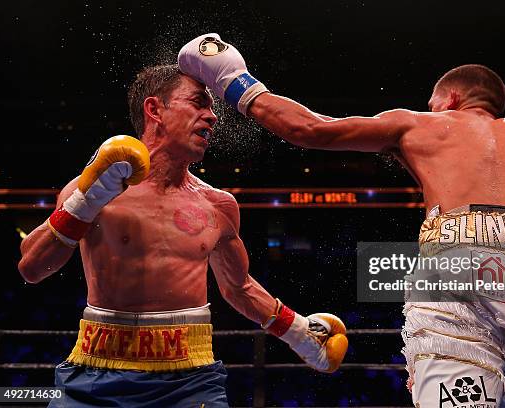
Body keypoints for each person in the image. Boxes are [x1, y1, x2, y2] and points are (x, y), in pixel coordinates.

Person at [178, 34, 505, 407]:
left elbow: (309, 128)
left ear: (449, 99)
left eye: (433, 103)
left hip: (462, 261)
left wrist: (233, 78)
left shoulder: (423, 123)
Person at [17, 64, 348, 408]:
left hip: (191, 381)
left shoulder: (218, 205)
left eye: (210, 108)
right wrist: (85, 202)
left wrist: (300, 334)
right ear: (155, 109)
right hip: (95, 374)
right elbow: (32, 268)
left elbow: (238, 287)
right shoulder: (96, 185)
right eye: (197, 104)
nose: (212, 117)